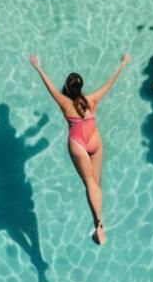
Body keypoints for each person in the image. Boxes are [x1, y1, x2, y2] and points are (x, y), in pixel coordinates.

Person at [28, 52, 131, 245]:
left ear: (67, 87)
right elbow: (109, 84)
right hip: (94, 140)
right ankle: (99, 225)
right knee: (96, 185)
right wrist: (123, 64)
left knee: (90, 184)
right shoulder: (92, 100)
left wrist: (38, 66)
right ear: (81, 87)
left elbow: (49, 87)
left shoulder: (65, 103)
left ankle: (98, 225)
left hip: (78, 142)